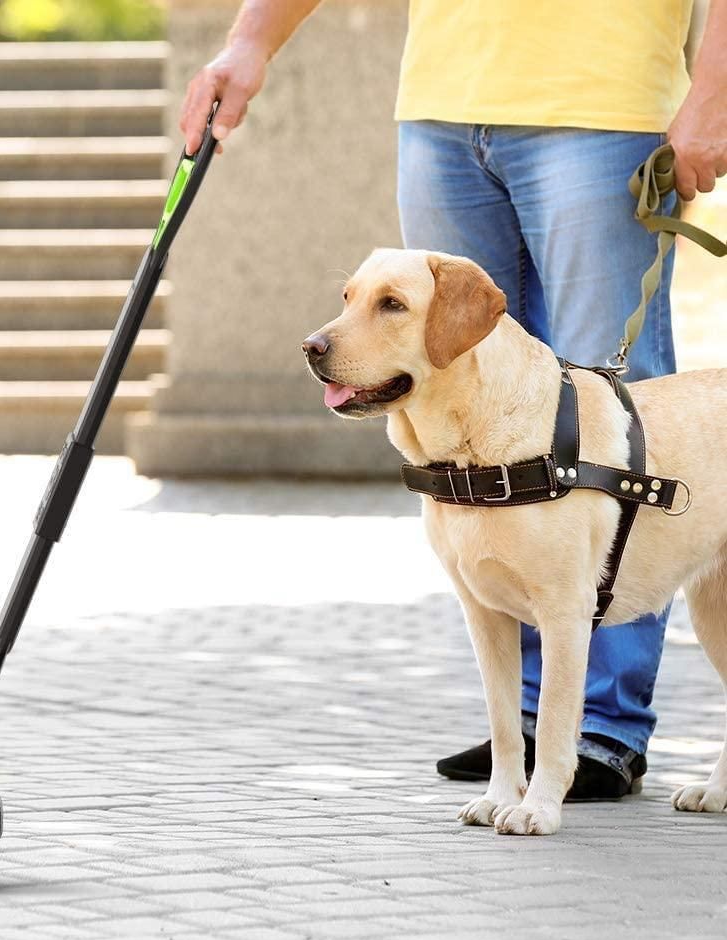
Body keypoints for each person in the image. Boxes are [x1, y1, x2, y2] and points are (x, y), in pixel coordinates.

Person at [179, 0, 727, 799]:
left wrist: (712, 92)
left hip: (603, 105)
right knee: (473, 408)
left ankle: (601, 729)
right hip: (441, 110)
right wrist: (249, 41)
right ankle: (535, 723)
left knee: (612, 422)